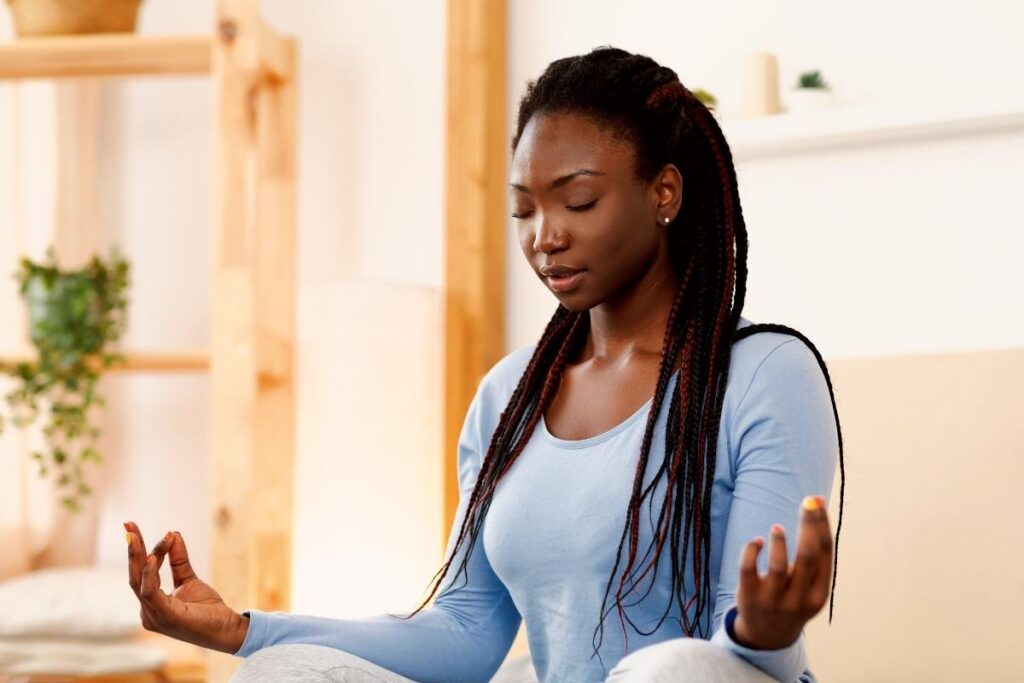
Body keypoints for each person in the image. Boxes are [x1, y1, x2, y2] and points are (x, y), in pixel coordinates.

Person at [125, 46, 845, 683]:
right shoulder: (509, 396)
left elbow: (745, 655)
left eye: (579, 200)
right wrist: (245, 630)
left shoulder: (763, 373)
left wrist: (764, 630)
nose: (546, 236)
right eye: (524, 210)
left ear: (664, 192)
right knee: (288, 673)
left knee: (673, 670)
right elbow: (463, 632)